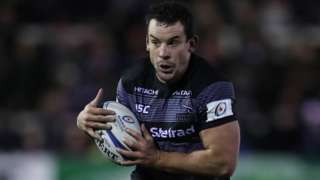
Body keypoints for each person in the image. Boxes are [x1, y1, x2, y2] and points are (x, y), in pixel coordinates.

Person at [77, 2, 240, 180]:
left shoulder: (211, 87)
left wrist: (157, 158)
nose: (163, 53)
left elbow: (222, 163)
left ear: (191, 44)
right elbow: (120, 141)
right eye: (155, 42)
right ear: (147, 43)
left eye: (173, 43)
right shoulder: (131, 83)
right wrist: (88, 123)